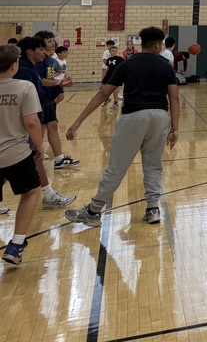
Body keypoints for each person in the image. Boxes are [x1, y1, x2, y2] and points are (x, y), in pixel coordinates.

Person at [64, 26, 180, 227]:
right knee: (153, 165)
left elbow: (103, 93)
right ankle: (152, 208)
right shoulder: (166, 66)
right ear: (157, 45)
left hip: (133, 116)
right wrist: (175, 129)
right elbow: (174, 97)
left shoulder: (127, 64)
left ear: (141, 43)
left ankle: (93, 211)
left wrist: (78, 121)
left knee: (117, 167)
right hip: (160, 116)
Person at [15, 37, 75, 211]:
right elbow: (38, 92)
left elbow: (42, 88)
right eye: (42, 47)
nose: (47, 49)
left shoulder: (41, 65)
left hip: (35, 111)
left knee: (31, 157)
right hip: (25, 120)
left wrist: (58, 86)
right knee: (29, 157)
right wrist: (57, 85)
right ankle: (48, 195)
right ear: (30, 50)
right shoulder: (26, 71)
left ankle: (49, 192)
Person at [0, 44, 44, 265]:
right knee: (31, 192)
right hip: (15, 153)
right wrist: (39, 145)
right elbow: (31, 121)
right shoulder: (25, 87)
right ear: (14, 65)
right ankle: (16, 245)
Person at [35, 31, 79, 169]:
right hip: (39, 99)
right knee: (39, 127)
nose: (53, 43)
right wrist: (57, 84)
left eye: (52, 40)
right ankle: (36, 155)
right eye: (49, 41)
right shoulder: (38, 62)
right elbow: (41, 81)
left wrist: (60, 83)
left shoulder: (50, 61)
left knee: (51, 125)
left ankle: (59, 158)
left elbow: (49, 79)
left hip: (48, 97)